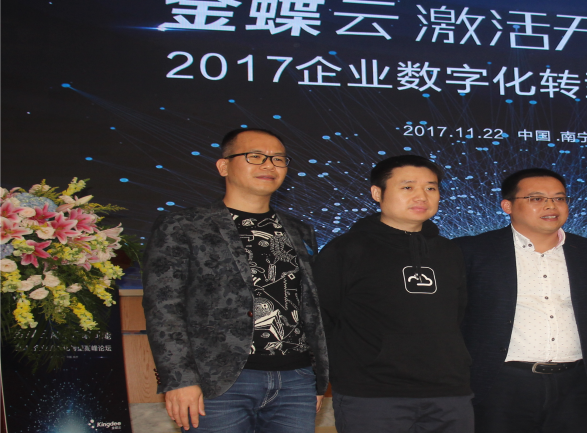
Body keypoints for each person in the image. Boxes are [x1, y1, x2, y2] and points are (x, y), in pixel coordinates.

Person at [142, 128, 328, 432]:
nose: (269, 165)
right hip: (217, 383)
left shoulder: (299, 230)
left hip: (296, 380)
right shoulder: (184, 225)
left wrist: (317, 378)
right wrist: (179, 379)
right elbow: (163, 307)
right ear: (224, 166)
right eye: (255, 156)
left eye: (278, 159)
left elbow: (308, 307)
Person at [313, 155, 473, 433]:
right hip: (372, 395)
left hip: (449, 393)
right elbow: (321, 319)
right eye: (408, 187)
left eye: (431, 188)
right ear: (377, 193)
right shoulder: (347, 249)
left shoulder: (449, 251)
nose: (421, 196)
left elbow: (456, 316)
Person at [454, 168, 587, 433]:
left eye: (559, 198)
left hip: (575, 385)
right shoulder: (471, 250)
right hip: (500, 384)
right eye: (536, 198)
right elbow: (457, 315)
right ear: (507, 206)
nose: (551, 205)